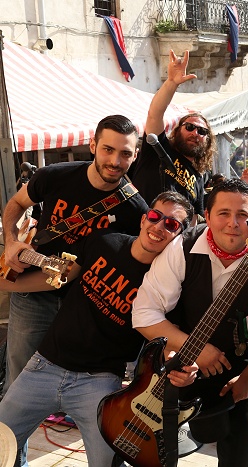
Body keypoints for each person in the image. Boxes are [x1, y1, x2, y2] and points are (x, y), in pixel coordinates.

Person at [0, 192, 196, 466]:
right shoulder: (104, 241)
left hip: (100, 383)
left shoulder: (168, 286)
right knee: (2, 441)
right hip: (45, 366)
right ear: (143, 219)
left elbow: (166, 341)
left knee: (108, 463)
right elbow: (58, 278)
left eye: (172, 224)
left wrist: (184, 368)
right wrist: (6, 284)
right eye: (155, 216)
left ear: (179, 236)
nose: (159, 226)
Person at [132, 179, 248, 466]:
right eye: (223, 213)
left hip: (237, 371)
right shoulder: (181, 248)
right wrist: (193, 348)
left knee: (238, 448)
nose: (233, 223)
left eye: (242, 215)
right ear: (207, 215)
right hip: (178, 361)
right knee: (156, 450)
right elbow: (144, 313)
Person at [1, 115, 148, 395]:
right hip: (33, 296)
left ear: (135, 155)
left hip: (83, 307)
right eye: (107, 149)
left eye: (125, 153)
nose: (115, 161)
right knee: (18, 382)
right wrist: (10, 241)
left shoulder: (136, 210)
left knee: (74, 386)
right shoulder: (55, 176)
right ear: (92, 145)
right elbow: (17, 203)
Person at [129, 50, 214, 218]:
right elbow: (155, 114)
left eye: (202, 131)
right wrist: (171, 83)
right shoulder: (158, 149)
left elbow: (195, 221)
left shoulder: (198, 179)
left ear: (207, 141)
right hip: (137, 227)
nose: (195, 132)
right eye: (189, 127)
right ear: (177, 130)